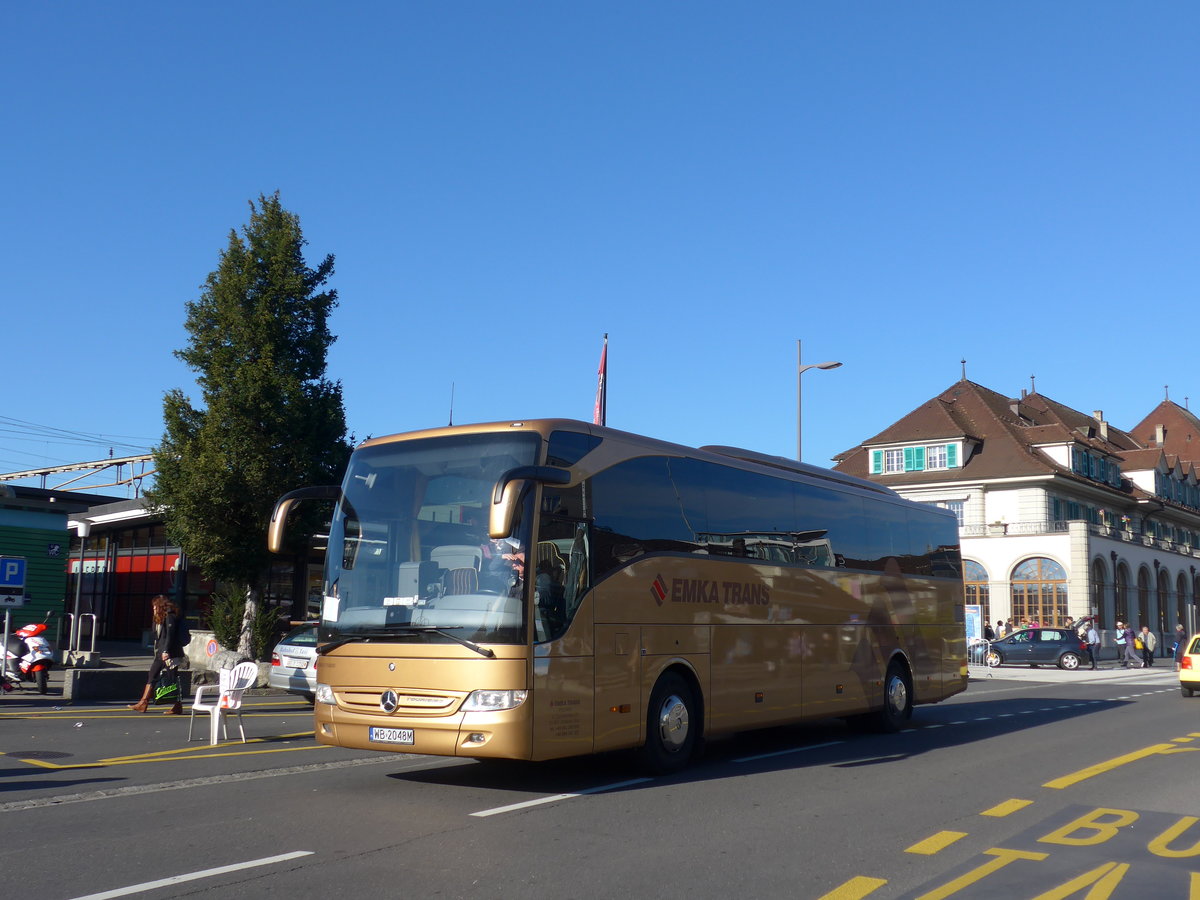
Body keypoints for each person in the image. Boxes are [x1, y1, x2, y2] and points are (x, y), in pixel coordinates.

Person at [128, 595, 185, 714]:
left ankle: (178, 706)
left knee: (173, 679)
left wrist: (166, 651)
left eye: (155, 606)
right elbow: (158, 636)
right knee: (152, 675)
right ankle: (143, 703)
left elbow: (170, 636)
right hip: (160, 653)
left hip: (170, 653)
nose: (153, 608)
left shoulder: (170, 616)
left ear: (160, 606)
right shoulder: (159, 618)